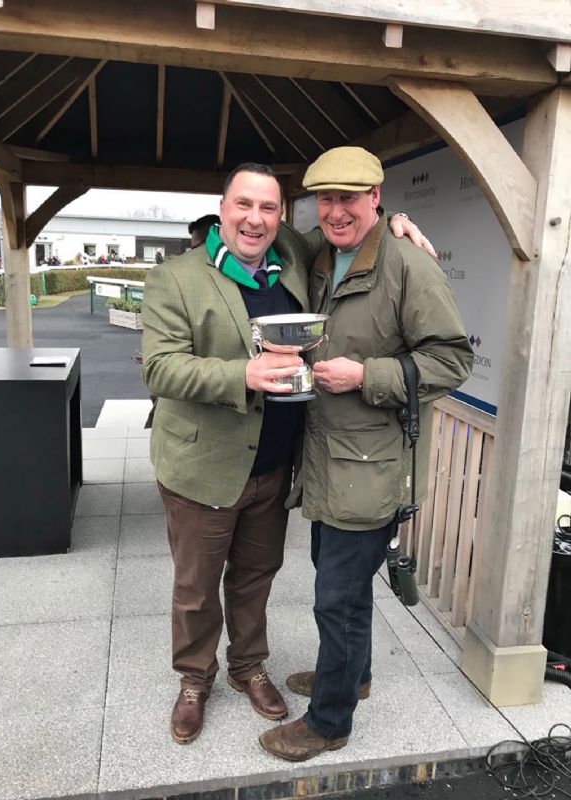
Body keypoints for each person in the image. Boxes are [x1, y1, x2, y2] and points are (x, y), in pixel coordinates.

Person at [141, 161, 434, 746]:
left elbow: (353, 224)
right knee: (196, 588)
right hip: (202, 468)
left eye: (269, 208)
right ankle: (194, 681)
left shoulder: (294, 257)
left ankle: (249, 667)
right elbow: (159, 367)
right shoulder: (175, 277)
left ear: (282, 217)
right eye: (243, 205)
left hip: (274, 465)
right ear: (220, 210)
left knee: (255, 579)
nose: (255, 219)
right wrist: (242, 374)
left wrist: (395, 220)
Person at [259, 147, 474, 762]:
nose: (335, 210)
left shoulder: (408, 267)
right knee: (346, 590)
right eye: (325, 198)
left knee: (336, 597)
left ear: (376, 198)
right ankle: (355, 677)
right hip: (331, 463)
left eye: (349, 197)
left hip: (375, 470)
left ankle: (328, 721)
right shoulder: (323, 257)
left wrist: (367, 375)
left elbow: (452, 360)